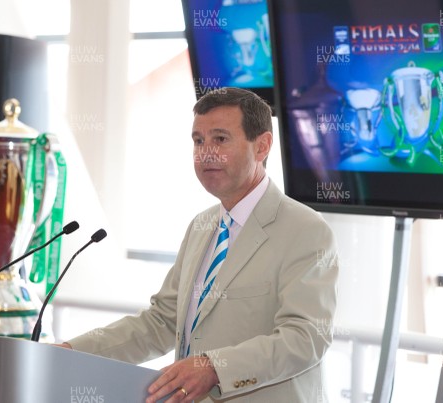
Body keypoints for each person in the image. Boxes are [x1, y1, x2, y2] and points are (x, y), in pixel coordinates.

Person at [60, 87, 338, 402]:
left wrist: (215, 367)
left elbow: (306, 338)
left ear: (262, 146)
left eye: (220, 139)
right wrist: (72, 353)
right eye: (198, 141)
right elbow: (162, 322)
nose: (205, 153)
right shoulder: (202, 226)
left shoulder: (305, 229)